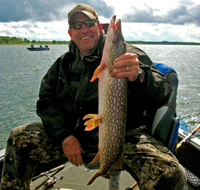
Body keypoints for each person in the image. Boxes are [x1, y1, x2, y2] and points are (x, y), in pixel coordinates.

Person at [0, 3, 187, 190]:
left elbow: (164, 92)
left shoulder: (127, 54)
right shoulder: (62, 65)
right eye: (76, 26)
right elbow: (45, 102)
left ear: (98, 27)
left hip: (124, 135)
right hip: (75, 134)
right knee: (19, 139)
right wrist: (64, 136)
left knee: (171, 173)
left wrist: (140, 76)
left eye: (89, 23)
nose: (83, 29)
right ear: (70, 33)